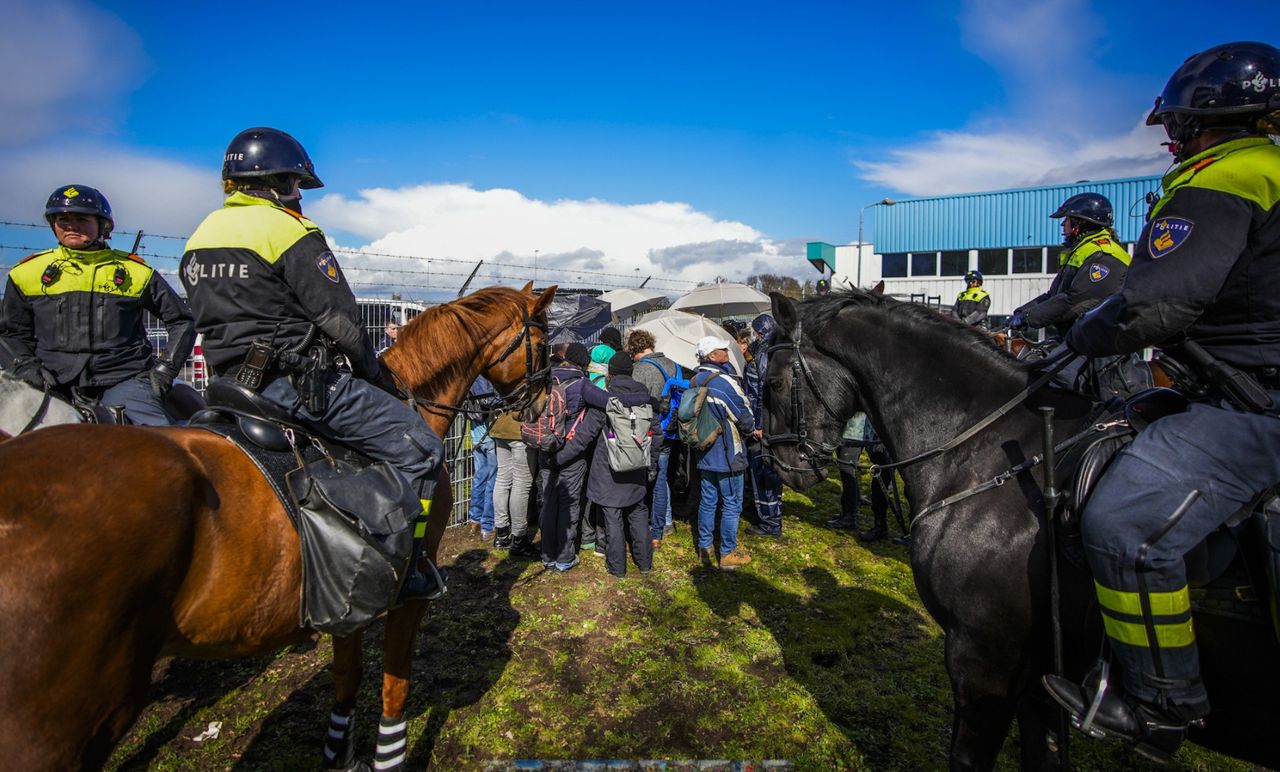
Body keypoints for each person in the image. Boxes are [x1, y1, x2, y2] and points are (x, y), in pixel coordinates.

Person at [1042, 42, 1280, 762]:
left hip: (1248, 402)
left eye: (1175, 128)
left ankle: (1162, 700)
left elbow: (1141, 306)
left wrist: (1076, 333)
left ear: (1209, 122)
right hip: (1227, 382)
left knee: (1124, 520)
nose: (1171, 142)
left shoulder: (1227, 177)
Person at [179, 126, 445, 601]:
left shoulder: (199, 236)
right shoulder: (287, 230)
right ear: (276, 181)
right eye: (296, 183)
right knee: (420, 445)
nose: (299, 194)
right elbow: (338, 318)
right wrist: (373, 373)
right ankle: (405, 564)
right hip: (293, 384)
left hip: (226, 382)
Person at [0, 185, 195, 426]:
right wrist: (25, 368)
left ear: (103, 226)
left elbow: (181, 321)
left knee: (155, 445)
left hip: (124, 379)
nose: (71, 225)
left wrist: (165, 370)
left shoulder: (136, 272)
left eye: (81, 218)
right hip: (49, 382)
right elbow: (10, 332)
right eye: (63, 219)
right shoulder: (26, 273)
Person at [586, 351, 662, 578]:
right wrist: (651, 463)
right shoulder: (645, 398)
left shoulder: (604, 399)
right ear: (631, 371)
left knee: (612, 517)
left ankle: (617, 568)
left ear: (611, 373)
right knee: (638, 513)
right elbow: (657, 435)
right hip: (637, 465)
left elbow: (587, 433)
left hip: (609, 468)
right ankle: (645, 563)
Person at [1009, 193, 1130, 336]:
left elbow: (1077, 301)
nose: (1062, 224)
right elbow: (1054, 295)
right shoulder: (1081, 250)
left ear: (1079, 223)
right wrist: (1022, 312)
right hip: (1077, 338)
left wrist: (1028, 318)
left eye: (1066, 219)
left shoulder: (1104, 254)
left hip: (1102, 345)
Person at [691, 335, 757, 569]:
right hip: (728, 452)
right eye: (722, 350)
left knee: (708, 500)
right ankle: (727, 553)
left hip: (704, 450)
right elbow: (742, 413)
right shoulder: (723, 382)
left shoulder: (695, 379)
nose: (727, 353)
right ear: (711, 356)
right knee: (732, 502)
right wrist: (752, 429)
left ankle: (705, 548)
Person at [627, 329, 680, 549]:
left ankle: (652, 525)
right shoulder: (673, 365)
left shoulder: (639, 369)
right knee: (662, 476)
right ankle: (665, 522)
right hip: (671, 427)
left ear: (634, 349)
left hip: (648, 430)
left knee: (648, 478)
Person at [743, 313, 783, 537]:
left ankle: (770, 522)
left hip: (763, 424)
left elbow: (760, 392)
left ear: (759, 332)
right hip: (773, 422)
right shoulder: (773, 349)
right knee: (768, 470)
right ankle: (772, 515)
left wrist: (758, 424)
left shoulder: (765, 353)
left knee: (763, 470)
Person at [490, 407, 538, 556]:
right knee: (521, 484)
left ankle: (501, 534)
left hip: (500, 426)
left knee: (503, 479)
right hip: (520, 431)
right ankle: (519, 538)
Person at [464, 375, 500, 541]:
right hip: (489, 433)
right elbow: (489, 401)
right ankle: (487, 525)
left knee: (479, 478)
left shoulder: (471, 375)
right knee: (492, 481)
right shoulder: (485, 376)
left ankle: (475, 519)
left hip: (476, 433)